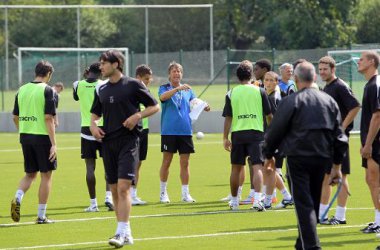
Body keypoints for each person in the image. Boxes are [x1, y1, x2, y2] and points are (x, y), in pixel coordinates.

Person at [263, 61, 347, 249]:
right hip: (322, 158)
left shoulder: (291, 101)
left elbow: (275, 131)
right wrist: (337, 167)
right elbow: (340, 137)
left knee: (303, 205)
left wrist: (268, 155)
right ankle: (302, 244)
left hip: (298, 158)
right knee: (313, 204)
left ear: (296, 78)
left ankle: (311, 246)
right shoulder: (328, 101)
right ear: (315, 77)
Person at [90, 50, 159, 247]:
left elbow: (154, 106)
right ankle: (126, 231)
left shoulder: (132, 84)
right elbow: (94, 114)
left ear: (116, 63)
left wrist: (138, 116)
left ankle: (120, 233)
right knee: (113, 189)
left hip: (129, 142)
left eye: (104, 63)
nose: (100, 67)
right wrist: (94, 126)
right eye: (100, 63)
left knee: (123, 187)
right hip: (108, 143)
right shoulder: (101, 89)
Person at [11, 60, 57, 224]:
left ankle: (18, 196)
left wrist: (22, 129)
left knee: (30, 174)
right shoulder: (47, 90)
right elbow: (48, 118)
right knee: (46, 176)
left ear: (36, 72)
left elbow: (15, 117)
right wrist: (54, 144)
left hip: (25, 136)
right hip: (42, 137)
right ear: (49, 74)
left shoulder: (22, 89)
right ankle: (41, 215)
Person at [222, 60, 272, 211]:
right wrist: (272, 132)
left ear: (237, 77)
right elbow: (269, 115)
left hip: (238, 134)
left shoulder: (231, 93)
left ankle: (235, 202)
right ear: (251, 75)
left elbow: (228, 118)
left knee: (236, 168)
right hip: (256, 133)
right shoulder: (260, 91)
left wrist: (225, 137)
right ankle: (257, 200)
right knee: (257, 166)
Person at [158, 61, 210, 203]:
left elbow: (195, 102)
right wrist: (177, 89)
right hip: (169, 131)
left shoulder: (188, 90)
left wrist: (204, 106)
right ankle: (163, 193)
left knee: (185, 163)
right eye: (174, 71)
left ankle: (185, 194)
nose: (177, 73)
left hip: (185, 131)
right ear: (169, 74)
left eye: (179, 71)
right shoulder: (164, 88)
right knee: (167, 162)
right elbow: (162, 98)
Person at [318, 56, 360, 225]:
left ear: (333, 69)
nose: (322, 72)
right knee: (327, 176)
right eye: (320, 69)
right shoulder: (327, 87)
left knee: (341, 176)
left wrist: (341, 128)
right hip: (329, 139)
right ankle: (322, 215)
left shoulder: (340, 86)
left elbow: (355, 106)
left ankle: (340, 216)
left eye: (325, 69)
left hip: (339, 140)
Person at [73, 62, 113, 212]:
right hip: (104, 128)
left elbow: (76, 97)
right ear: (101, 72)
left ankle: (93, 204)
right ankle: (109, 198)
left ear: (88, 71)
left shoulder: (77, 84)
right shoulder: (104, 84)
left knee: (90, 167)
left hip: (86, 128)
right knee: (108, 165)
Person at [262, 71, 293, 210]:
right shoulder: (266, 95)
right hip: (270, 137)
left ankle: (272, 199)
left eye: (271, 80)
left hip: (275, 138)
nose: (268, 83)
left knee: (269, 168)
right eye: (266, 80)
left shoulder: (275, 97)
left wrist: (273, 137)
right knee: (269, 169)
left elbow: (276, 120)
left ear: (276, 82)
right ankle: (282, 197)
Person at [357, 50, 380, 234]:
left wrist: (369, 143)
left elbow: (378, 116)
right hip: (371, 142)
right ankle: (378, 220)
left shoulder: (375, 85)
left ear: (372, 62)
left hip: (376, 143)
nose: (358, 62)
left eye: (362, 59)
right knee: (371, 180)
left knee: (375, 181)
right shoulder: (369, 85)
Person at [131, 64, 154, 206]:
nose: (148, 81)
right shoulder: (131, 91)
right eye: (146, 79)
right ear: (138, 77)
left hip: (144, 130)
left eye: (149, 79)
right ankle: (125, 194)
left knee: (138, 163)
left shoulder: (147, 90)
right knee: (132, 163)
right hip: (134, 130)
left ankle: (133, 194)